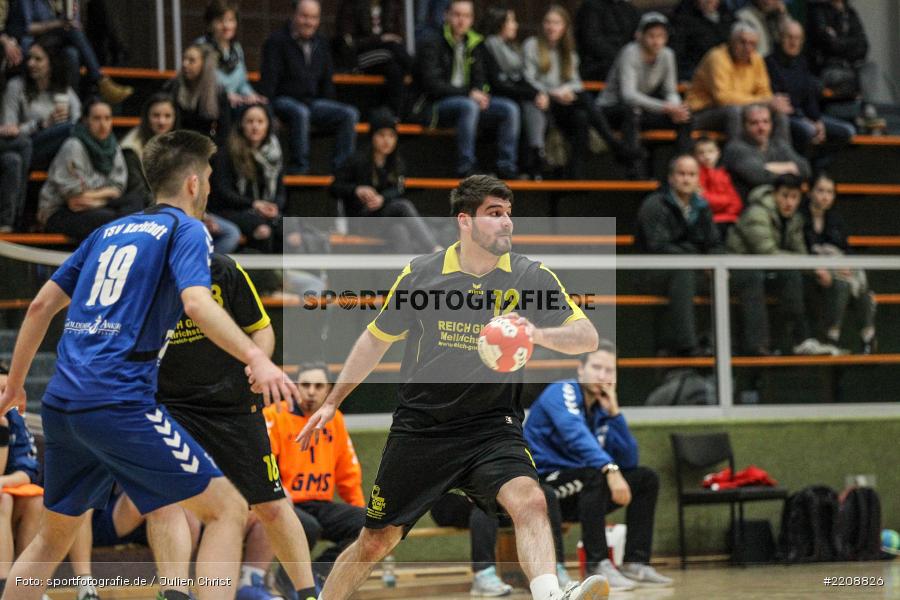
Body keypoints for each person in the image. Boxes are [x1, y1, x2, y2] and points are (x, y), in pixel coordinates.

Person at [0, 129, 301, 600]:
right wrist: (257, 358)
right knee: (226, 507)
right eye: (207, 176)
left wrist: (15, 385)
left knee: (51, 538)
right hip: (119, 400)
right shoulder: (186, 230)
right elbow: (198, 304)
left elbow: (40, 306)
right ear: (193, 185)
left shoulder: (106, 232)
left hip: (61, 402)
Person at [296, 175, 607, 600]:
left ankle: (551, 594)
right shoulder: (422, 275)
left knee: (530, 500)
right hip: (423, 429)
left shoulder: (528, 276)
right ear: (465, 221)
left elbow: (586, 335)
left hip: (491, 427)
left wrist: (534, 332)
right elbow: (375, 339)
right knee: (376, 541)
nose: (506, 224)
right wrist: (333, 401)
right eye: (494, 214)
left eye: (509, 215)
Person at [156, 252, 318, 600]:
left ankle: (308, 594)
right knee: (169, 503)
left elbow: (261, 328)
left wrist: (259, 363)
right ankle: (174, 593)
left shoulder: (223, 269)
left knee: (271, 504)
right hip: (171, 406)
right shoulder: (146, 272)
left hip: (233, 406)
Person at [524, 343, 672, 591]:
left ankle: (636, 562)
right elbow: (575, 435)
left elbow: (629, 459)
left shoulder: (601, 409)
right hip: (546, 485)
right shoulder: (562, 392)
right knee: (595, 475)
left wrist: (615, 414)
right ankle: (597, 563)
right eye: (596, 367)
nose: (602, 376)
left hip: (584, 488)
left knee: (645, 478)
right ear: (581, 370)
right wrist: (610, 470)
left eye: (609, 370)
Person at [261, 362, 365, 586]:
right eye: (305, 385)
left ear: (329, 389)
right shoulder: (275, 416)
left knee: (366, 525)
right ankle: (289, 580)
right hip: (285, 504)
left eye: (319, 386)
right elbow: (263, 466)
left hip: (320, 504)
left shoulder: (335, 419)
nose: (311, 391)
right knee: (307, 527)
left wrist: (357, 508)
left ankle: (318, 575)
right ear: (295, 387)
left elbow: (349, 472)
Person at [726, 173, 841, 356]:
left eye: (794, 197)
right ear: (774, 195)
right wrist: (805, 263)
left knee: (809, 277)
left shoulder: (795, 219)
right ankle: (783, 342)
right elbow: (767, 253)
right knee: (788, 275)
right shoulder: (757, 213)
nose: (789, 202)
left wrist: (814, 268)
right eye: (785, 195)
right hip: (739, 272)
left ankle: (810, 339)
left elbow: (801, 254)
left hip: (768, 272)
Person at [522, 5, 641, 179]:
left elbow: (575, 81)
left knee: (582, 116)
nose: (551, 27)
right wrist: (554, 93)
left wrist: (567, 91)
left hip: (564, 102)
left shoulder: (568, 50)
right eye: (548, 22)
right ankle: (613, 143)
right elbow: (528, 79)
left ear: (564, 27)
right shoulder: (531, 45)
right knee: (584, 98)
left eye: (556, 23)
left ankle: (575, 173)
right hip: (542, 100)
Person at [120, 92, 241, 253]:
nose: (162, 121)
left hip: (184, 211)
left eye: (167, 116)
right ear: (146, 118)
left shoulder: (180, 146)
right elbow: (140, 193)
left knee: (230, 233)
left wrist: (201, 215)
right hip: (149, 212)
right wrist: (187, 216)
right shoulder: (132, 148)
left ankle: (202, 272)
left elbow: (193, 187)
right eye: (156, 115)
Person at [412, 0, 520, 179]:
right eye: (457, 15)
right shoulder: (432, 41)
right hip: (434, 105)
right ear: (446, 15)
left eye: (466, 16)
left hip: (469, 102)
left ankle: (506, 167)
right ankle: (466, 167)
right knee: (468, 106)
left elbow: (482, 79)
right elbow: (432, 85)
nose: (461, 20)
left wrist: (481, 94)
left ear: (472, 19)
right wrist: (470, 94)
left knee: (509, 109)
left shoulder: (476, 43)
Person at [636, 154, 723, 357]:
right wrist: (698, 260)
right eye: (681, 174)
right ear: (671, 178)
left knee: (745, 277)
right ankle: (687, 345)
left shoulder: (701, 207)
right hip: (653, 274)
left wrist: (715, 261)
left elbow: (715, 243)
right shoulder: (655, 204)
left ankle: (751, 346)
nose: (686, 179)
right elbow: (658, 246)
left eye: (692, 174)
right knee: (683, 272)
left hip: (692, 269)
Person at [260, 0, 360, 175]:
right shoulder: (276, 41)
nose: (309, 22)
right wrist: (269, 113)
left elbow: (327, 81)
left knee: (349, 114)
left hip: (312, 102)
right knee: (300, 112)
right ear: (294, 15)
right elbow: (268, 84)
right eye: (304, 16)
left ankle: (343, 170)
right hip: (283, 100)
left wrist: (329, 108)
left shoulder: (321, 43)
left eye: (314, 17)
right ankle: (300, 167)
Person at [329, 108, 441, 253]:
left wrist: (382, 198)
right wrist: (356, 189)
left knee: (399, 230)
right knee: (403, 206)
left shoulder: (396, 163)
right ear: (372, 137)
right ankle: (434, 249)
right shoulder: (356, 160)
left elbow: (398, 189)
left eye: (391, 136)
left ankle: (404, 274)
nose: (386, 141)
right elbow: (334, 187)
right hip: (360, 221)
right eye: (381, 135)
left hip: (382, 219)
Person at [429, 487, 573, 596]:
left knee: (544, 493)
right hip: (450, 500)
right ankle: (483, 573)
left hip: (497, 496)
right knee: (485, 496)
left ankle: (554, 569)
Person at [38, 98, 143, 242]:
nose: (103, 124)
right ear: (86, 120)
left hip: (95, 204)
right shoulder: (73, 146)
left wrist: (97, 200)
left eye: (107, 118)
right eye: (97, 119)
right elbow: (74, 197)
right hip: (59, 211)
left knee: (136, 200)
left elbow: (117, 187)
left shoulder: (113, 146)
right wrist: (107, 194)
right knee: (110, 220)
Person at [597, 12, 693, 159]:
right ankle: (634, 170)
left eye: (661, 36)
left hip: (643, 108)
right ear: (640, 35)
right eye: (652, 36)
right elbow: (628, 95)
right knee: (631, 112)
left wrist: (675, 108)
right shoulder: (630, 52)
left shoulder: (668, 55)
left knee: (685, 116)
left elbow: (670, 91)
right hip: (613, 108)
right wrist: (666, 107)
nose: (656, 41)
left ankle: (682, 164)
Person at [801, 173, 876, 354]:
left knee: (863, 292)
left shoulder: (835, 220)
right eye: (820, 191)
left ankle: (868, 338)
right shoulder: (800, 217)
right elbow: (800, 250)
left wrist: (847, 266)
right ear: (810, 192)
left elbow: (846, 249)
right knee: (842, 285)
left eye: (830, 192)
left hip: (835, 270)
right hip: (809, 272)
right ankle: (831, 337)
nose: (825, 196)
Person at [5, 0, 132, 103]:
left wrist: (71, 20)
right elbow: (24, 28)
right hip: (35, 41)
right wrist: (58, 24)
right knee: (72, 32)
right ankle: (100, 80)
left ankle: (72, 107)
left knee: (72, 54)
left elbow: (75, 26)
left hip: (60, 43)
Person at [765, 19, 854, 166]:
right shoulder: (769, 63)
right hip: (785, 117)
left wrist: (816, 119)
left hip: (805, 116)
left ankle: (817, 166)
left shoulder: (802, 63)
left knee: (847, 131)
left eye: (798, 38)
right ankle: (803, 168)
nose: (794, 42)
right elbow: (781, 102)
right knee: (807, 130)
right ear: (780, 37)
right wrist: (807, 120)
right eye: (790, 37)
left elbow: (809, 96)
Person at [686, 21, 791, 141]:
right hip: (703, 112)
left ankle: (782, 153)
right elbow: (723, 98)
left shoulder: (757, 59)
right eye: (742, 42)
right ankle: (738, 153)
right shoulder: (717, 57)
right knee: (735, 112)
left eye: (752, 44)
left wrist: (767, 104)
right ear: (731, 41)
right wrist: (763, 102)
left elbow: (764, 92)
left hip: (742, 108)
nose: (747, 48)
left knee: (778, 114)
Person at [209, 103, 287, 254]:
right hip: (231, 210)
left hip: (262, 210)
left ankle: (282, 276)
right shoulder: (226, 153)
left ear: (268, 125)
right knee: (263, 230)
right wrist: (254, 204)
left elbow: (280, 191)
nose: (255, 126)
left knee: (291, 232)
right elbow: (223, 191)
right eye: (250, 121)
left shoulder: (274, 155)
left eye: (260, 122)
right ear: (241, 125)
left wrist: (274, 206)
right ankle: (259, 276)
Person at [480, 6, 544, 179]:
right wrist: (530, 94)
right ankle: (508, 166)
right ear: (500, 24)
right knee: (514, 108)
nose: (515, 25)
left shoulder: (512, 48)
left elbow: (520, 79)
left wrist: (537, 93)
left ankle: (536, 160)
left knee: (535, 103)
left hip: (512, 96)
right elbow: (497, 84)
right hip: (493, 98)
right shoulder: (488, 46)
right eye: (511, 21)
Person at [806, 0, 886, 133]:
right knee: (860, 80)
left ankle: (869, 111)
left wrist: (839, 41)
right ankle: (865, 115)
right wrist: (850, 44)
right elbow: (829, 44)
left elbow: (864, 46)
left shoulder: (850, 12)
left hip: (851, 69)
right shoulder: (818, 11)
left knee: (871, 68)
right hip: (829, 70)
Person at [2, 33, 80, 169]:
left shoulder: (63, 89)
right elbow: (10, 131)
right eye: (29, 58)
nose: (31, 63)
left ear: (51, 63)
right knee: (71, 130)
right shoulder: (16, 86)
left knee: (78, 131)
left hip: (60, 150)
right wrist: (41, 125)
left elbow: (78, 120)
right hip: (30, 147)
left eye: (38, 59)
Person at [334, 0, 412, 117]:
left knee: (394, 69)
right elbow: (348, 45)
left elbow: (397, 37)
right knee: (392, 51)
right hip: (358, 59)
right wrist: (380, 39)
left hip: (385, 58)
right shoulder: (351, 5)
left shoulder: (390, 5)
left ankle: (393, 116)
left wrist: (387, 41)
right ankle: (416, 71)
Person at [722, 103, 810, 199]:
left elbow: (805, 169)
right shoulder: (735, 148)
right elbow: (759, 176)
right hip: (751, 204)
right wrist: (788, 167)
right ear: (744, 126)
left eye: (765, 122)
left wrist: (768, 167)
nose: (761, 128)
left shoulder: (778, 145)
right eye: (754, 123)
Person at [197, 0, 267, 109]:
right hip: (211, 105)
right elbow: (200, 84)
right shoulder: (201, 48)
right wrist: (225, 96)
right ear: (210, 24)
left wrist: (252, 96)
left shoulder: (236, 49)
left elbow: (242, 84)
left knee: (261, 109)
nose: (227, 26)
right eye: (220, 21)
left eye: (231, 20)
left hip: (236, 103)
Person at [165, 42, 231, 145]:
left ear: (204, 64)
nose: (185, 64)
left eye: (191, 61)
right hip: (177, 144)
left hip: (206, 145)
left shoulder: (218, 91)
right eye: (184, 59)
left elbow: (225, 129)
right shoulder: (173, 87)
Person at [670, 0, 736, 81]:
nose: (710, 1)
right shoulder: (682, 17)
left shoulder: (725, 13)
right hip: (697, 71)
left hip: (728, 68)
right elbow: (678, 54)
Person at [573, 0, 639, 81]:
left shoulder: (630, 9)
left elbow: (637, 37)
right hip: (598, 66)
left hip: (626, 61)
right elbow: (592, 40)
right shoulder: (591, 6)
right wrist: (621, 57)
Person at [693, 136, 742, 238]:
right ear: (695, 156)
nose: (706, 156)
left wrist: (722, 205)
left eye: (710, 151)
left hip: (728, 220)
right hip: (708, 222)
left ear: (718, 153)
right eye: (701, 153)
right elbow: (703, 203)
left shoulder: (723, 174)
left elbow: (736, 203)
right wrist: (725, 201)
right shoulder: (695, 176)